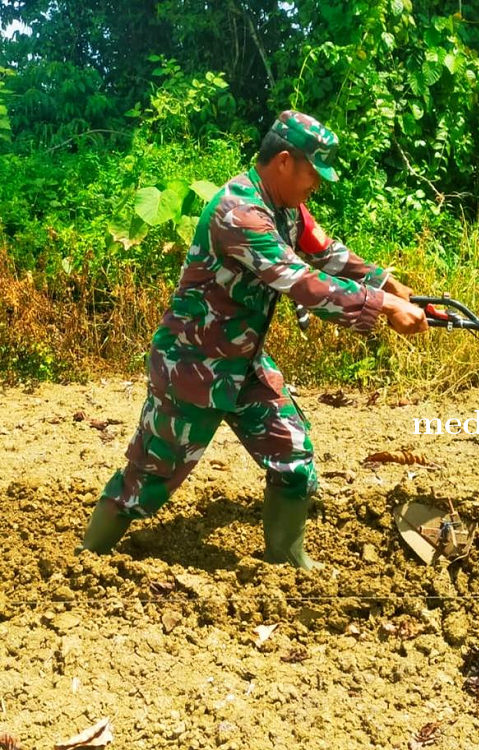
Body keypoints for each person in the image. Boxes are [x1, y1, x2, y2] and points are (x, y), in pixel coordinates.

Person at [77, 110, 428, 569]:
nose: (317, 185)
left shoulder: (286, 208)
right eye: (313, 173)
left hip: (243, 363)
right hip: (192, 365)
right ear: (284, 161)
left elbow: (324, 250)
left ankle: (287, 564)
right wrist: (383, 306)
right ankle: (84, 563)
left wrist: (384, 281)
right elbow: (299, 280)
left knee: (292, 455)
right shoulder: (239, 212)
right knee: (147, 481)